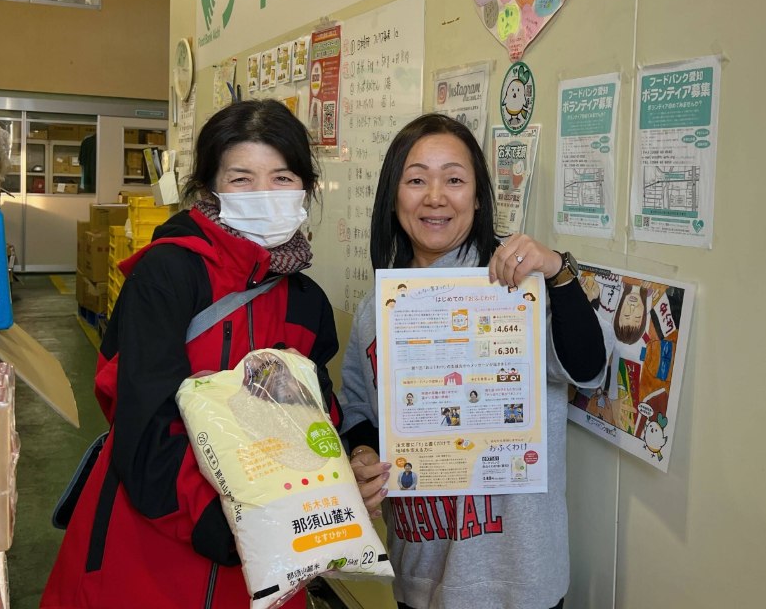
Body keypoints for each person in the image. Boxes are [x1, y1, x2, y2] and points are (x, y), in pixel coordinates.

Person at [42, 100, 343, 609]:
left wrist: (338, 480)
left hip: (271, 552)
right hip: (152, 551)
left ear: (306, 188)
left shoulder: (306, 299)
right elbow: (142, 422)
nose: (265, 194)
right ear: (209, 189)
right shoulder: (168, 275)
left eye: (282, 177)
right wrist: (221, 525)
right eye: (242, 179)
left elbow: (318, 416)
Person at [338, 114, 608, 609]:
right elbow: (359, 409)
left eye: (454, 180)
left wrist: (558, 271)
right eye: (416, 180)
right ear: (393, 196)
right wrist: (361, 455)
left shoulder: (517, 286)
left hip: (519, 577)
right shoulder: (375, 308)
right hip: (420, 567)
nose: (435, 197)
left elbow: (588, 368)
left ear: (479, 196)